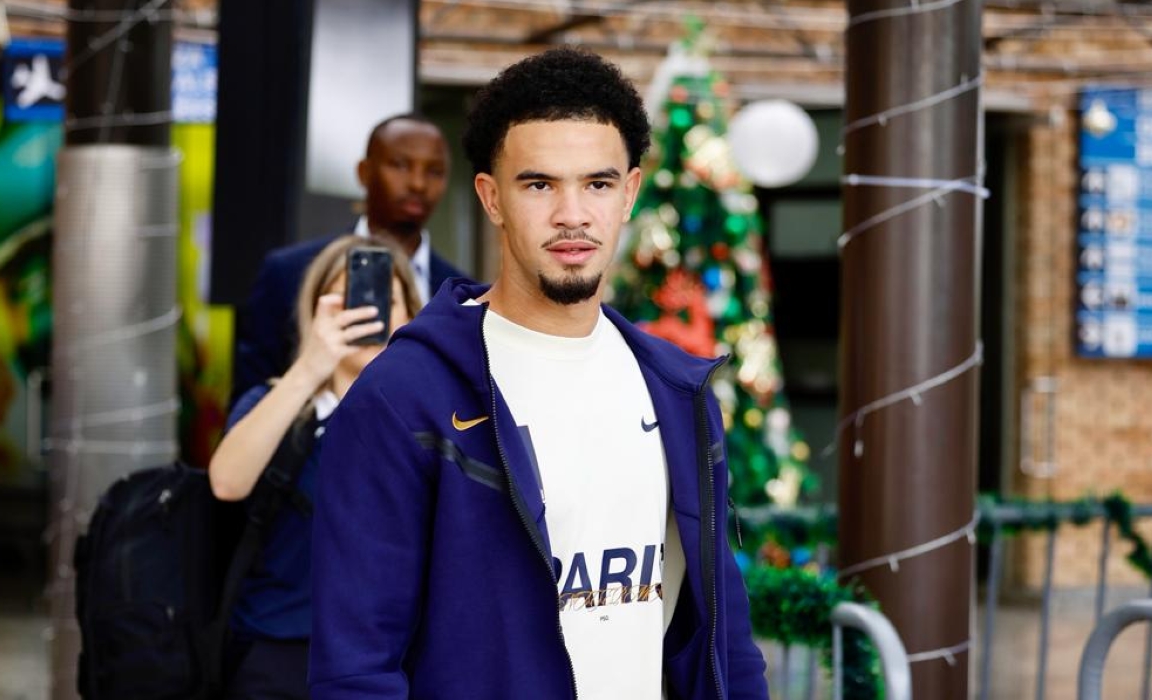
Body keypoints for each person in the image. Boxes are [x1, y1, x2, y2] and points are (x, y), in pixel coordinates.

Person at [310, 48, 769, 699]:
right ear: (491, 197)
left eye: (597, 184)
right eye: (539, 185)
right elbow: (355, 667)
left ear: (630, 193)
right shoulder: (403, 397)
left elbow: (727, 639)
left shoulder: (677, 392)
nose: (572, 215)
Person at [210, 235, 423, 700]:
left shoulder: (431, 417)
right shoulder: (275, 402)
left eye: (385, 301)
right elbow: (226, 482)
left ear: (411, 314)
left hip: (387, 656)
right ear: (316, 314)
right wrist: (310, 367)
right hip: (277, 650)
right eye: (346, 301)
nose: (367, 313)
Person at [232, 113, 469, 405]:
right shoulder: (288, 272)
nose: (418, 183)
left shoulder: (462, 295)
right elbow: (249, 398)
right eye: (400, 165)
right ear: (364, 172)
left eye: (435, 171)